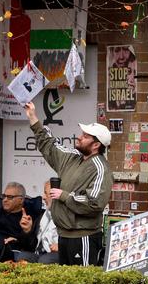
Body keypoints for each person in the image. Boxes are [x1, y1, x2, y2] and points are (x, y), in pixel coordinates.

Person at [24, 101, 113, 266]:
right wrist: (33, 117)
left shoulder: (101, 169)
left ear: (96, 145)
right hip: (63, 235)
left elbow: (95, 203)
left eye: (85, 136)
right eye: (82, 133)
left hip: (83, 237)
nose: (79, 137)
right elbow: (49, 145)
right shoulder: (71, 157)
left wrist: (64, 196)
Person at [0, 182, 40, 262]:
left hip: (7, 255)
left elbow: (30, 246)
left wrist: (26, 232)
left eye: (10, 197)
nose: (5, 200)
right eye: (4, 196)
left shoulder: (28, 218)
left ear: (21, 200)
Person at [15, 181, 59, 264]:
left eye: (46, 194)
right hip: (40, 254)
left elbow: (77, 242)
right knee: (22, 256)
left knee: (45, 260)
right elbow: (30, 247)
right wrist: (28, 231)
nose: (43, 197)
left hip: (59, 254)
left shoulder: (67, 217)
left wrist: (62, 246)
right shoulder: (42, 216)